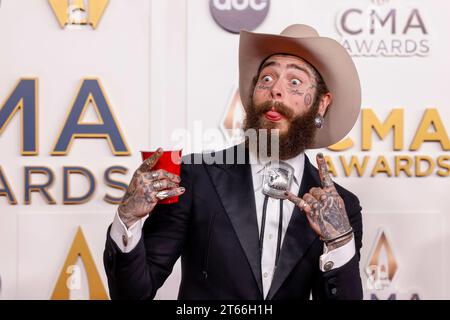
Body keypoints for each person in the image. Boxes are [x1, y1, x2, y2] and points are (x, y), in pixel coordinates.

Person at [103, 24, 363, 300]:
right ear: (251, 95)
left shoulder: (341, 208)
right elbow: (132, 294)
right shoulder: (196, 177)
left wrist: (339, 241)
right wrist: (128, 219)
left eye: (294, 82)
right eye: (266, 78)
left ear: (322, 104)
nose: (276, 90)